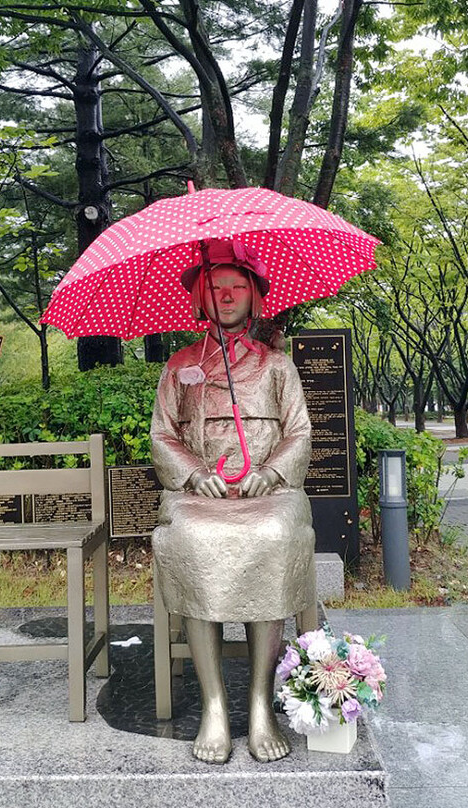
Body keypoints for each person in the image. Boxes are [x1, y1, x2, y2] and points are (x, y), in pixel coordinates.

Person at [151, 238, 316, 764]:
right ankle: (215, 704)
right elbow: (163, 434)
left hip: (270, 492)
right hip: (201, 495)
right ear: (200, 297)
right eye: (215, 287)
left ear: (255, 296)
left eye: (237, 287)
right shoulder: (180, 365)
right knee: (193, 539)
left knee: (272, 535)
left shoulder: (276, 365)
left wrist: (271, 471)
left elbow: (300, 431)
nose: (226, 296)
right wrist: (194, 473)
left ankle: (261, 702)